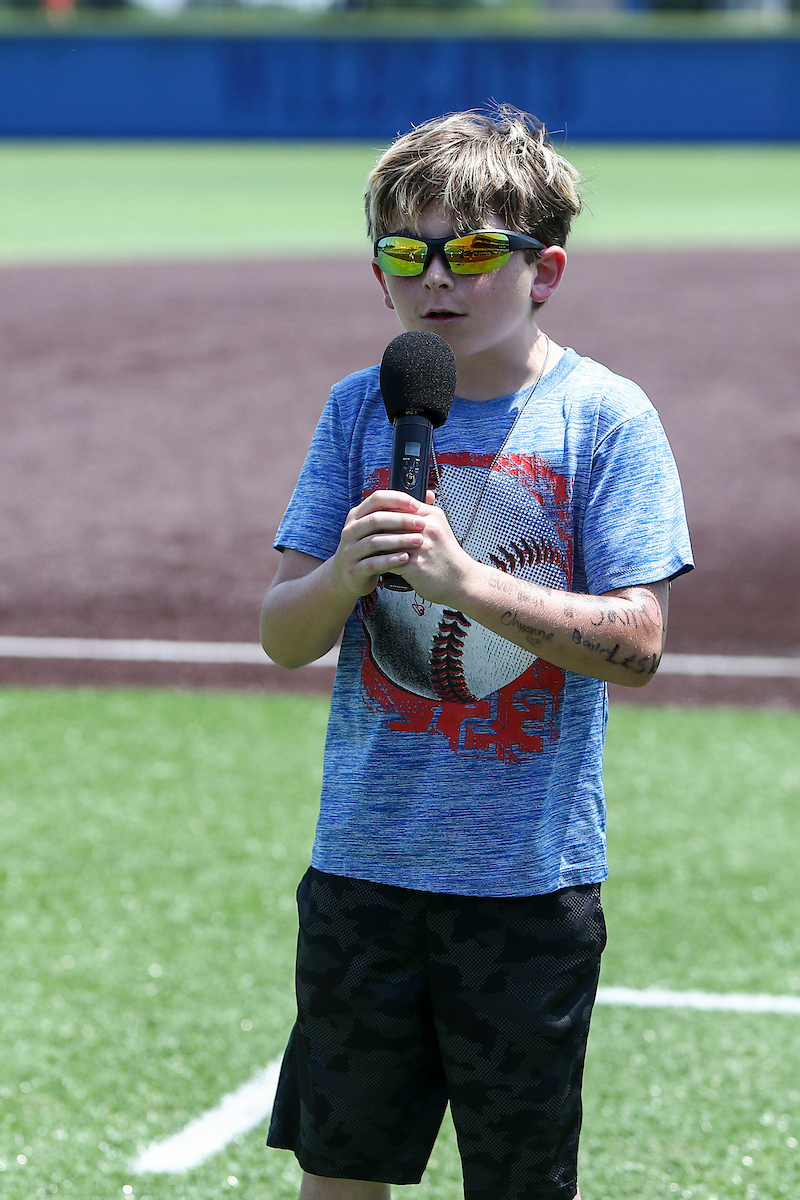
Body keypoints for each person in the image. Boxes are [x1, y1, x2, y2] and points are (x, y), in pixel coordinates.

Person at [260, 105, 693, 1200]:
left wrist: (465, 584)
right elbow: (281, 636)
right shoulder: (361, 409)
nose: (435, 280)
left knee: (518, 1181)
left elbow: (638, 644)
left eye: (470, 253)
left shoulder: (602, 418)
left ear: (543, 269)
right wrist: (341, 575)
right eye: (405, 253)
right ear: (379, 275)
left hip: (522, 885)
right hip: (362, 868)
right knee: (339, 1169)